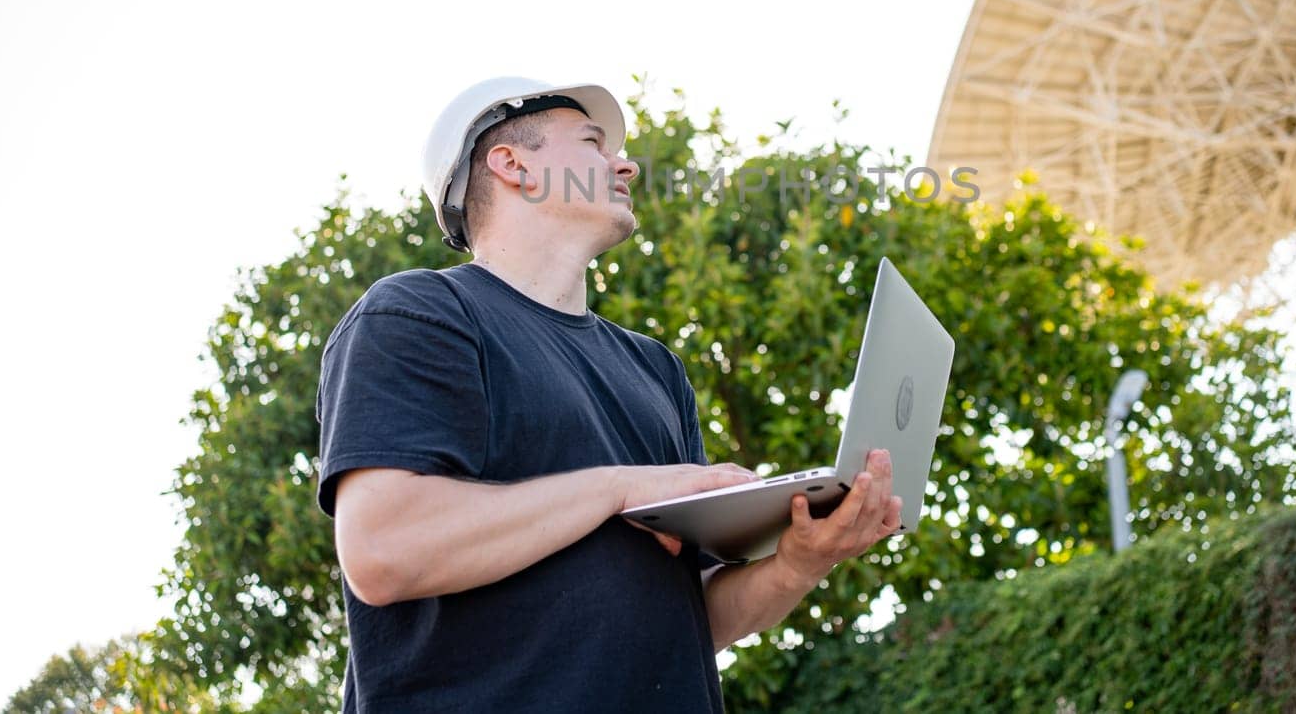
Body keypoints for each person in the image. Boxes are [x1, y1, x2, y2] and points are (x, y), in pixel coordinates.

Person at [315, 76, 903, 712]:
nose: (623, 163)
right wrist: (620, 489)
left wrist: (799, 564)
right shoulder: (419, 314)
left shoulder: (655, 370)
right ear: (513, 165)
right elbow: (382, 550)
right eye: (593, 143)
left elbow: (693, 616)